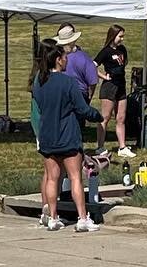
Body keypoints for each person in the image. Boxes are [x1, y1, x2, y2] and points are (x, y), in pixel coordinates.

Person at [31, 40, 103, 233]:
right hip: (68, 135)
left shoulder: (39, 82)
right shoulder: (68, 82)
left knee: (52, 178)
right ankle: (82, 218)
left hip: (47, 135)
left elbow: (39, 103)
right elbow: (82, 108)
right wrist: (97, 115)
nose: (66, 60)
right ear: (57, 60)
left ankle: (52, 217)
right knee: (75, 178)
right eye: (64, 57)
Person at [94, 25, 134, 157]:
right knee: (105, 117)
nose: (122, 39)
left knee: (121, 117)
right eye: (120, 36)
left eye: (123, 36)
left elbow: (123, 64)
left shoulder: (122, 49)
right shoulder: (105, 51)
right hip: (109, 87)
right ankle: (100, 146)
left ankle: (122, 147)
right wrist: (104, 76)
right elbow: (92, 65)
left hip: (121, 86)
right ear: (113, 36)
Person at [55, 23, 99, 101]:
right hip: (80, 94)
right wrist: (89, 97)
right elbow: (92, 80)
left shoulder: (54, 57)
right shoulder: (84, 57)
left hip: (60, 94)